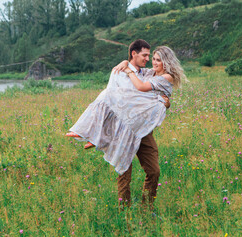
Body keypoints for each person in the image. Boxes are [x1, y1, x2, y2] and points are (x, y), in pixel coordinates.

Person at [67, 40, 186, 206]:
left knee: (154, 171)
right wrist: (125, 63)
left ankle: (146, 206)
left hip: (143, 129)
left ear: (166, 62)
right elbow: (121, 92)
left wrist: (165, 102)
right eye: (151, 57)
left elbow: (143, 89)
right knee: (124, 170)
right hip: (125, 127)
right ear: (134, 54)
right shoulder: (147, 73)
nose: (152, 61)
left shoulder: (165, 77)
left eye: (157, 59)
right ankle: (125, 210)